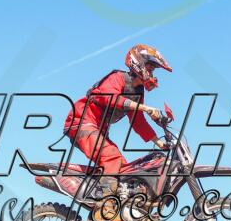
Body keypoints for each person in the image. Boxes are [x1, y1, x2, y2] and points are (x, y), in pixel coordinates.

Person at [63, 44, 172, 194]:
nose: (152, 74)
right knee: (111, 157)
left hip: (99, 130)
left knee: (122, 167)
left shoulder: (137, 92)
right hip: (81, 123)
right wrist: (145, 108)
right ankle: (106, 200)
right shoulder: (118, 77)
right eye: (150, 69)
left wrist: (159, 143)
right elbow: (109, 98)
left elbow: (138, 122)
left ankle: (118, 201)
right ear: (138, 62)